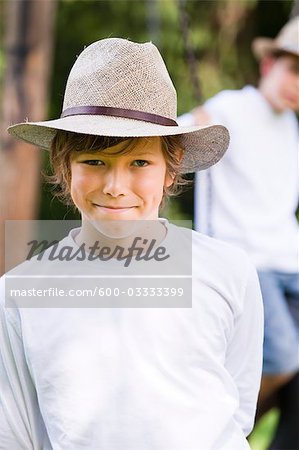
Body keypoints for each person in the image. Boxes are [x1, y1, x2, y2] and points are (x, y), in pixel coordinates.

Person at [0, 38, 263, 449]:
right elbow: (14, 431)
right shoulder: (22, 291)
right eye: (94, 162)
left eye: (139, 162)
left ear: (170, 171)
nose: (116, 187)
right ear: (64, 168)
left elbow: (237, 407)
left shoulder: (226, 270)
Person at [179, 15, 299, 448]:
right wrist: (197, 122)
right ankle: (224, 428)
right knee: (283, 358)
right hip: (248, 258)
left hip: (289, 257)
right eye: (294, 69)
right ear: (269, 65)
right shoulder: (232, 106)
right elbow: (171, 137)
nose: (297, 85)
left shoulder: (290, 126)